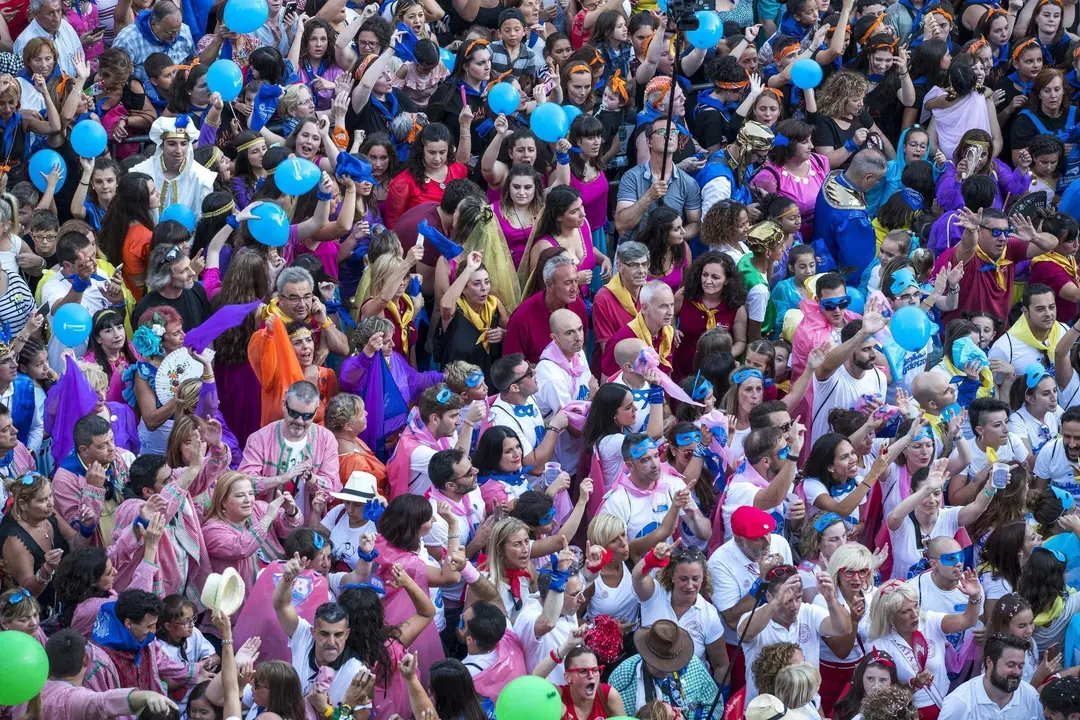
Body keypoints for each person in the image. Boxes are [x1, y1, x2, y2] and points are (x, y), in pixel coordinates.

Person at [238, 379, 341, 517]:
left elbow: (333, 489)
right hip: (266, 526)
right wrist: (280, 479)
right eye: (294, 413)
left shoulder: (326, 439)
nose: (299, 421)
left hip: (306, 529)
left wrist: (311, 478)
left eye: (307, 416)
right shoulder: (260, 438)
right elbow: (243, 483)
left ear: (316, 412)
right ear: (284, 405)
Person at [631, 540, 729, 680]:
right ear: (672, 576)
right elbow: (637, 576)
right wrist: (652, 558)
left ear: (703, 578)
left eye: (695, 579)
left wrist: (720, 697)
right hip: (648, 680)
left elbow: (721, 665)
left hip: (692, 692)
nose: (690, 585)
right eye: (683, 579)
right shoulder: (654, 595)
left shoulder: (709, 614)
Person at [33, 629, 178, 719]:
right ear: (86, 660)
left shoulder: (30, 689)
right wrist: (147, 695)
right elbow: (102, 702)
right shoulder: (71, 699)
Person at [200, 470, 303, 593]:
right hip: (240, 601)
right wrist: (267, 519)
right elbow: (241, 548)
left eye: (250, 493)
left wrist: (291, 512)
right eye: (240, 495)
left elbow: (289, 529)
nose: (248, 500)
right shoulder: (211, 529)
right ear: (223, 502)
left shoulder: (258, 508)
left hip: (276, 588)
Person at [608, 619, 722, 718]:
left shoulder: (694, 665)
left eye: (672, 664)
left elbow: (716, 704)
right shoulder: (621, 678)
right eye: (659, 664)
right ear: (645, 654)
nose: (666, 670)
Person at [615, 116, 703, 244]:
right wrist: (648, 197)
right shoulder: (631, 177)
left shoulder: (688, 182)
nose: (669, 136)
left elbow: (695, 224)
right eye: (662, 132)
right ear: (649, 141)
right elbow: (621, 226)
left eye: (673, 132)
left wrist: (671, 237)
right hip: (635, 252)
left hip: (669, 253)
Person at [813, 148, 888, 284]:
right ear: (868, 177)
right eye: (878, 179)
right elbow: (856, 265)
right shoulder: (855, 217)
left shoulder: (832, 179)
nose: (877, 183)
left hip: (819, 255)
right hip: (835, 276)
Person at [534, 308, 593, 475]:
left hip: (578, 448)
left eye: (580, 329)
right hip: (560, 458)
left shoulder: (578, 351)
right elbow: (573, 428)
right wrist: (594, 400)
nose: (579, 337)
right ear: (555, 338)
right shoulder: (551, 376)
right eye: (569, 333)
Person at [504, 254, 589, 364]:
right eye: (568, 283)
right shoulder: (522, 318)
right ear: (550, 285)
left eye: (576, 281)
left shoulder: (578, 305)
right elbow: (511, 367)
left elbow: (582, 348)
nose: (575, 289)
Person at [130, 115, 215, 223]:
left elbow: (201, 219)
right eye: (172, 144)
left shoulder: (202, 177)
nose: (178, 150)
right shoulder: (142, 172)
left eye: (184, 144)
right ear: (161, 145)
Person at [938, 632, 1042, 720]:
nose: (1017, 672)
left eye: (1020, 666)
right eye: (1011, 665)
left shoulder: (1031, 696)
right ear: (990, 662)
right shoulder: (959, 704)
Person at [600, 281, 676, 377]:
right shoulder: (623, 339)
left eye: (672, 305)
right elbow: (607, 379)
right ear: (645, 308)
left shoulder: (668, 333)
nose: (670, 312)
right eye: (663, 306)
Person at [131, 243, 211, 330]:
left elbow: (208, 330)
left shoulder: (198, 290)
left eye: (189, 267)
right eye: (184, 271)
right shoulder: (145, 309)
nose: (193, 273)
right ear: (165, 278)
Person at [112, 0, 194, 84]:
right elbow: (114, 78)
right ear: (153, 24)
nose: (174, 36)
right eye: (169, 32)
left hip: (179, 91)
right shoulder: (128, 40)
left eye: (177, 30)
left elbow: (191, 62)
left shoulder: (185, 31)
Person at [592, 240, 649, 359]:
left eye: (644, 264)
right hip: (618, 369)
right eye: (634, 265)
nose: (642, 271)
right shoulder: (603, 299)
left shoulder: (652, 292)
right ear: (619, 266)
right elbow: (607, 350)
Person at [13, 0, 81, 75]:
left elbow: (80, 57)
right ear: (36, 14)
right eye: (50, 13)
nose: (57, 18)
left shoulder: (65, 26)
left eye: (58, 11)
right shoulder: (25, 42)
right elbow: (26, 79)